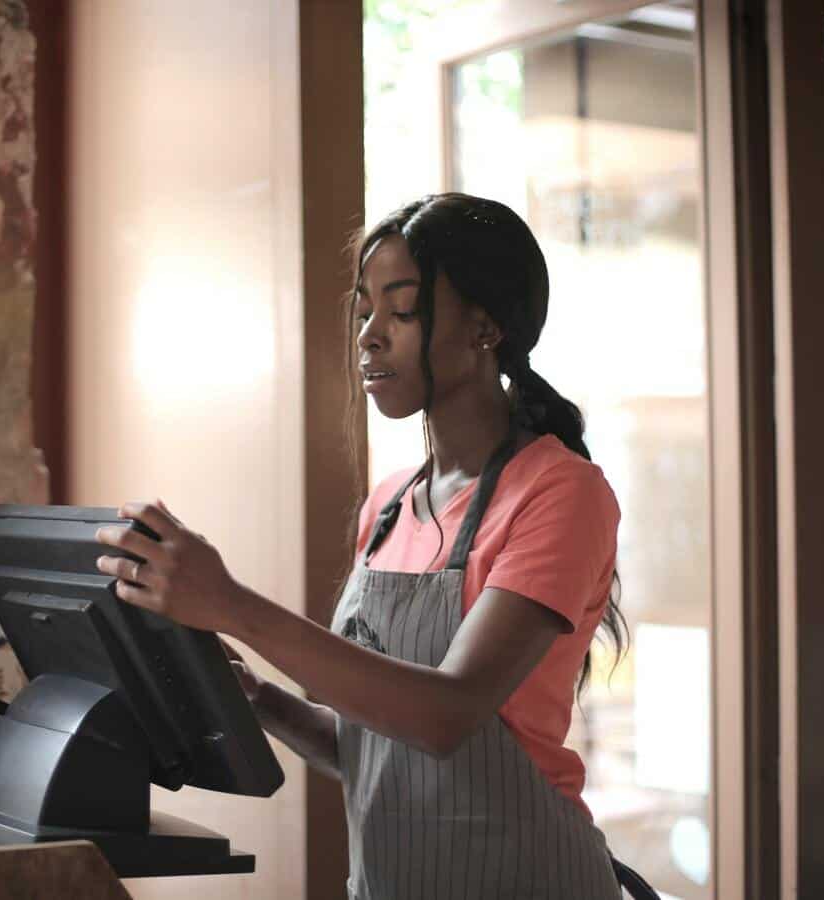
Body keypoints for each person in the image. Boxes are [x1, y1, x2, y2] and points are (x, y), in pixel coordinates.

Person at [95, 193, 657, 900]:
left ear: (485, 327)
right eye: (365, 311)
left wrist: (230, 605)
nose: (368, 335)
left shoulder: (558, 494)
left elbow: (444, 715)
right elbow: (376, 748)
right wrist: (259, 698)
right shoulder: (388, 507)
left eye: (402, 309)